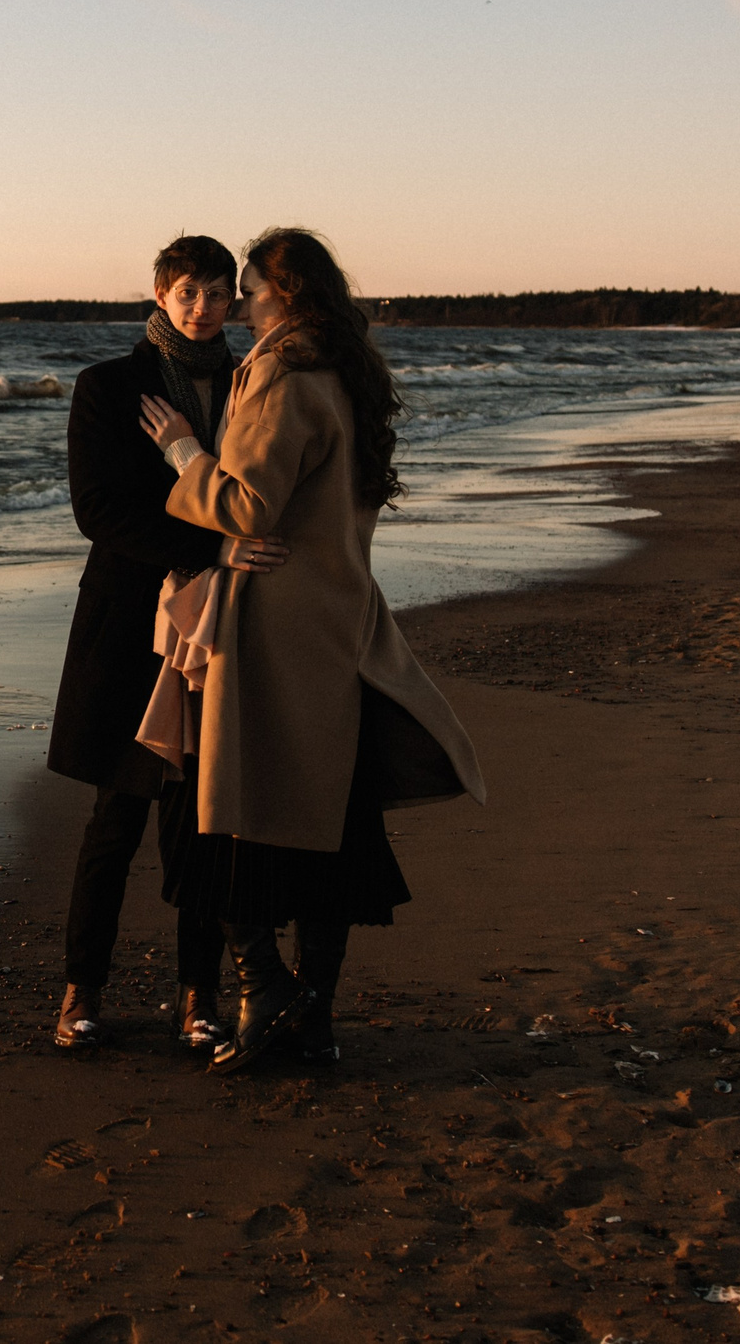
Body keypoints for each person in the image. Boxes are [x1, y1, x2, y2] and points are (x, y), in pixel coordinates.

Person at [135, 228, 485, 1074]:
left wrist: (182, 449)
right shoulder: (350, 372)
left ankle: (269, 997)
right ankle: (312, 1017)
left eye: (251, 289)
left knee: (227, 823)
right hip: (341, 616)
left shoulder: (284, 376)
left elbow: (250, 505)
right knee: (330, 830)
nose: (240, 304)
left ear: (285, 295)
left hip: (275, 627)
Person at [45, 235, 289, 1052]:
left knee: (202, 821)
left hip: (219, 621)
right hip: (128, 623)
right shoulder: (110, 387)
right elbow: (98, 513)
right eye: (188, 290)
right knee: (115, 817)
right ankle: (81, 992)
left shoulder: (251, 384)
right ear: (159, 292)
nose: (202, 307)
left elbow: (257, 493)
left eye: (219, 293)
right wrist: (208, 544)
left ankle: (198, 999)